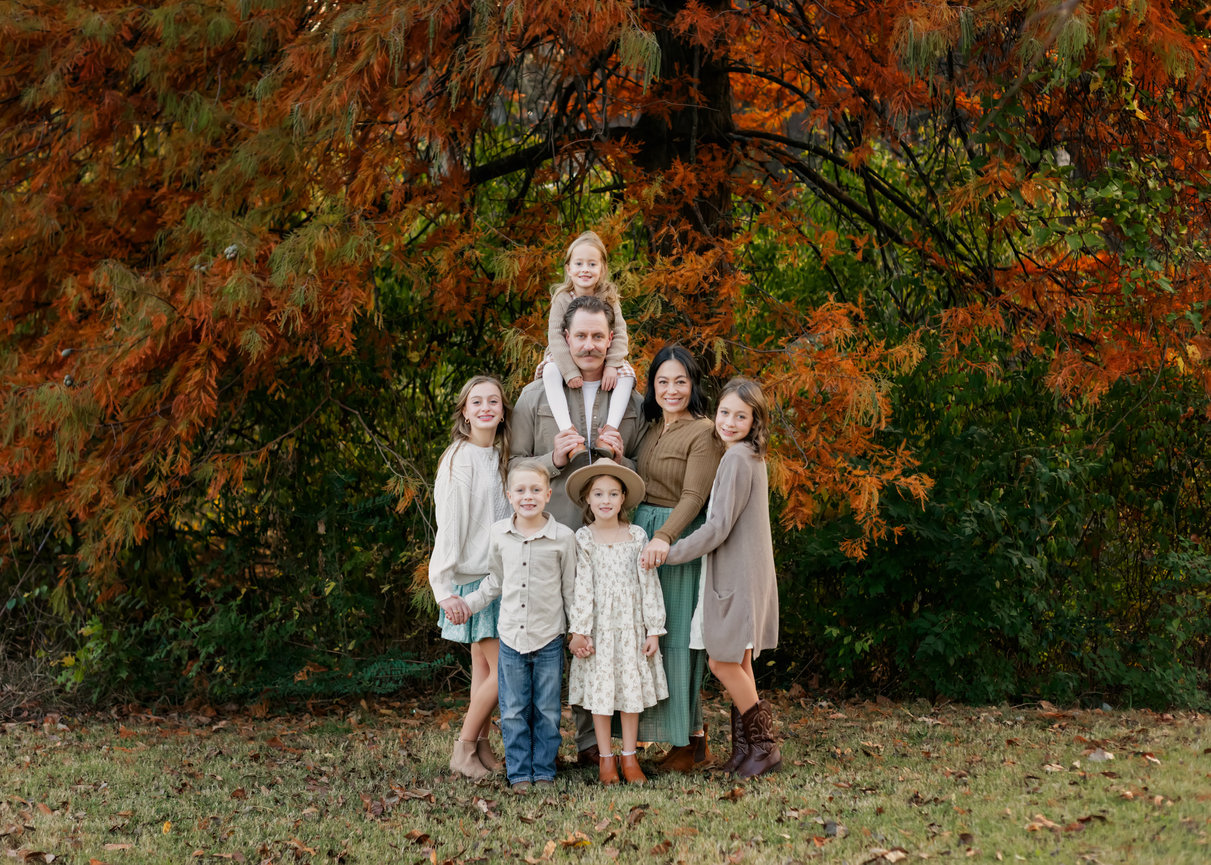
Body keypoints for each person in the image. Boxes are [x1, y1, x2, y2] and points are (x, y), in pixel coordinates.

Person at [511, 294, 647, 762]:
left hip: (608, 543)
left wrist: (622, 457)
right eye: (581, 336)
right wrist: (553, 459)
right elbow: (512, 466)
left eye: (597, 336)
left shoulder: (632, 398)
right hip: (552, 536)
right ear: (565, 339)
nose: (589, 346)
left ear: (612, 339)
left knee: (604, 636)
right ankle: (539, 748)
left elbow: (643, 470)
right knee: (554, 640)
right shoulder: (535, 396)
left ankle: (596, 746)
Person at [666, 378, 781, 778]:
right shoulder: (750, 456)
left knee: (722, 660)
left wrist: (670, 552)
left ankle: (764, 748)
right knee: (741, 662)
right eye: (724, 413)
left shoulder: (735, 460)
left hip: (737, 575)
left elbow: (717, 528)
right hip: (750, 573)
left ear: (755, 421)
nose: (729, 422)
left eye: (741, 415)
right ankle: (745, 751)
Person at [456, 460, 578, 793]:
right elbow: (494, 580)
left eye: (536, 490)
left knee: (548, 710)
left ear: (548, 495)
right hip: (510, 637)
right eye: (521, 491)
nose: (528, 496)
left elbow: (570, 589)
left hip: (549, 637)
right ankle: (520, 773)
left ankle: (544, 770)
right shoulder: (499, 533)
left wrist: (577, 630)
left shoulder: (563, 538)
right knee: (513, 710)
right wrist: (469, 605)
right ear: (509, 496)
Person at [632, 344, 723, 771]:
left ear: (693, 385)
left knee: (676, 642)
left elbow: (694, 496)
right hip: (643, 537)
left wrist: (665, 537)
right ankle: (675, 738)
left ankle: (691, 742)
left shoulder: (704, 431)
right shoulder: (651, 428)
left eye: (680, 381)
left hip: (677, 542)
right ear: (652, 386)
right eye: (663, 381)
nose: (671, 390)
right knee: (647, 638)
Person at [427, 375, 512, 780]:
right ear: (464, 411)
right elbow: (450, 525)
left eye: (493, 401)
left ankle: (480, 745)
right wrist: (443, 587)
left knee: (483, 670)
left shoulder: (499, 455)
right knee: (504, 671)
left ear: (502, 410)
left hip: (498, 573)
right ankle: (463, 750)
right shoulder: (458, 459)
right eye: (476, 402)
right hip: (473, 579)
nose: (485, 408)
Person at [564, 459, 668, 785]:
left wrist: (654, 628)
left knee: (630, 692)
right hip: (598, 629)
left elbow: (648, 583)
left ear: (623, 498)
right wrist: (579, 631)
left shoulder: (637, 535)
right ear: (588, 500)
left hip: (631, 627)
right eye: (598, 494)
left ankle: (629, 757)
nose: (605, 500)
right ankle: (605, 759)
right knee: (601, 694)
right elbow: (580, 587)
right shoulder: (583, 538)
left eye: (612, 493)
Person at [541, 231, 635, 459]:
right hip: (563, 356)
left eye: (592, 264)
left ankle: (609, 431)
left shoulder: (609, 297)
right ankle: (568, 431)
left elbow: (620, 332)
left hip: (604, 358)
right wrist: (569, 371)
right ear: (569, 269)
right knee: (550, 369)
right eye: (579, 263)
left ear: (602, 269)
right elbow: (555, 337)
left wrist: (612, 364)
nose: (585, 269)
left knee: (627, 376)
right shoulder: (562, 298)